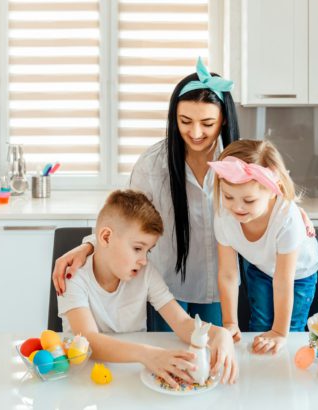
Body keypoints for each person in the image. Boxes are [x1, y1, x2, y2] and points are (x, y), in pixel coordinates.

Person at [54, 57, 239, 329]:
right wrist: (89, 245)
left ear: (223, 120)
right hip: (165, 285)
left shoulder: (238, 163)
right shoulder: (153, 164)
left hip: (222, 286)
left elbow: (269, 208)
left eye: (207, 123)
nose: (196, 132)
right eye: (185, 121)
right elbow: (128, 220)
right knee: (167, 358)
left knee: (213, 356)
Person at [58, 189, 237, 387]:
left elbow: (182, 323)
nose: (143, 260)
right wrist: (147, 354)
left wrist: (219, 334)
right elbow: (89, 341)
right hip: (84, 380)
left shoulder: (145, 273)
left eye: (147, 250)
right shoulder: (74, 277)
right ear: (106, 237)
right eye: (137, 248)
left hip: (132, 376)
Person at [209, 140, 318, 356]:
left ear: (273, 191)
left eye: (249, 200)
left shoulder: (287, 219)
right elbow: (228, 274)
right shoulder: (224, 215)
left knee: (290, 332)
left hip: (298, 275)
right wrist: (230, 322)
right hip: (260, 266)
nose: (236, 207)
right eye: (228, 196)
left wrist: (279, 332)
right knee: (260, 326)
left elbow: (283, 280)